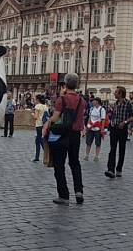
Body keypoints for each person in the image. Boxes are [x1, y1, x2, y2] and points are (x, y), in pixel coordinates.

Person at [45, 73, 86, 205]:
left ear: (65, 84)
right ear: (77, 85)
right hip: (76, 135)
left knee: (59, 165)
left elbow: (56, 118)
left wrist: (47, 123)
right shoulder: (82, 101)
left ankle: (64, 195)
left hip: (61, 135)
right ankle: (79, 191)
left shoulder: (61, 100)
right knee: (75, 163)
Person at [105, 86, 133, 178]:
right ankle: (111, 169)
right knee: (112, 149)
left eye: (116, 92)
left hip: (122, 129)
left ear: (120, 94)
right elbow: (114, 115)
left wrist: (125, 122)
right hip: (114, 128)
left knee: (121, 149)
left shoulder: (128, 103)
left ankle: (119, 169)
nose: (114, 94)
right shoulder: (115, 103)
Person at [32, 95, 48, 162]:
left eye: (35, 99)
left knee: (40, 140)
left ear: (38, 100)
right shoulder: (45, 106)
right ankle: (37, 157)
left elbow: (36, 117)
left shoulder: (37, 106)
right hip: (44, 125)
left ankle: (47, 154)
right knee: (38, 141)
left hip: (39, 125)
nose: (34, 101)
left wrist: (32, 114)